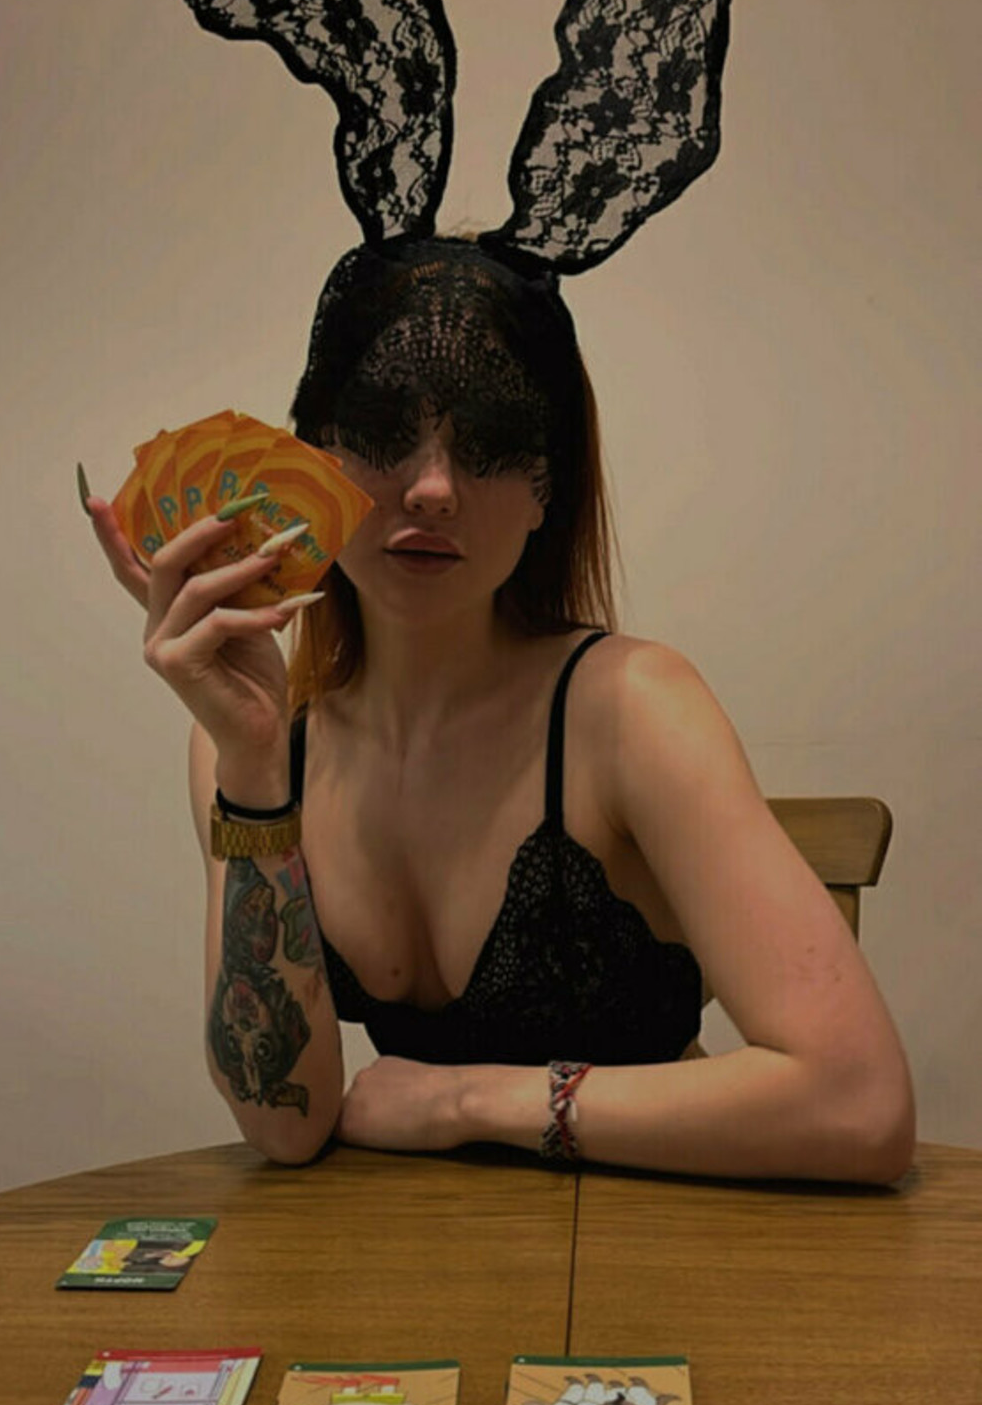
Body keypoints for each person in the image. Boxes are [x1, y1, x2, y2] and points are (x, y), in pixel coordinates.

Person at [84, 230, 915, 1184]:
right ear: (311, 461)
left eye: (492, 442)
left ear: (545, 490)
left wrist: (464, 1101)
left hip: (660, 1243)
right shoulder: (257, 747)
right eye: (383, 430)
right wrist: (253, 764)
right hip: (410, 1253)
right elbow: (285, 1126)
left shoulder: (631, 709)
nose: (434, 487)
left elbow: (859, 1103)